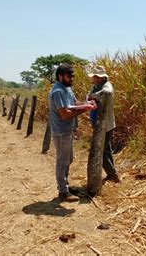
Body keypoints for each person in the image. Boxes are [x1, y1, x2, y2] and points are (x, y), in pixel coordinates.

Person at [48, 63, 96, 202]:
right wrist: (86, 109)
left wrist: (88, 103)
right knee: (62, 161)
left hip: (67, 131)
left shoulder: (67, 89)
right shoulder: (58, 91)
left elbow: (75, 103)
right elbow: (65, 114)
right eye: (69, 76)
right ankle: (63, 191)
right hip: (61, 131)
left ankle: (65, 186)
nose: (72, 79)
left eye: (72, 76)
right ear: (60, 76)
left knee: (67, 160)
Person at [87, 65, 121, 183]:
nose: (94, 78)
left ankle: (113, 175)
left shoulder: (107, 86)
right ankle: (111, 174)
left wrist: (94, 96)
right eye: (94, 76)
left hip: (105, 124)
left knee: (100, 150)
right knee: (106, 150)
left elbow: (107, 93)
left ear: (101, 77)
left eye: (96, 76)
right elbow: (89, 96)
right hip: (98, 123)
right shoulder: (95, 86)